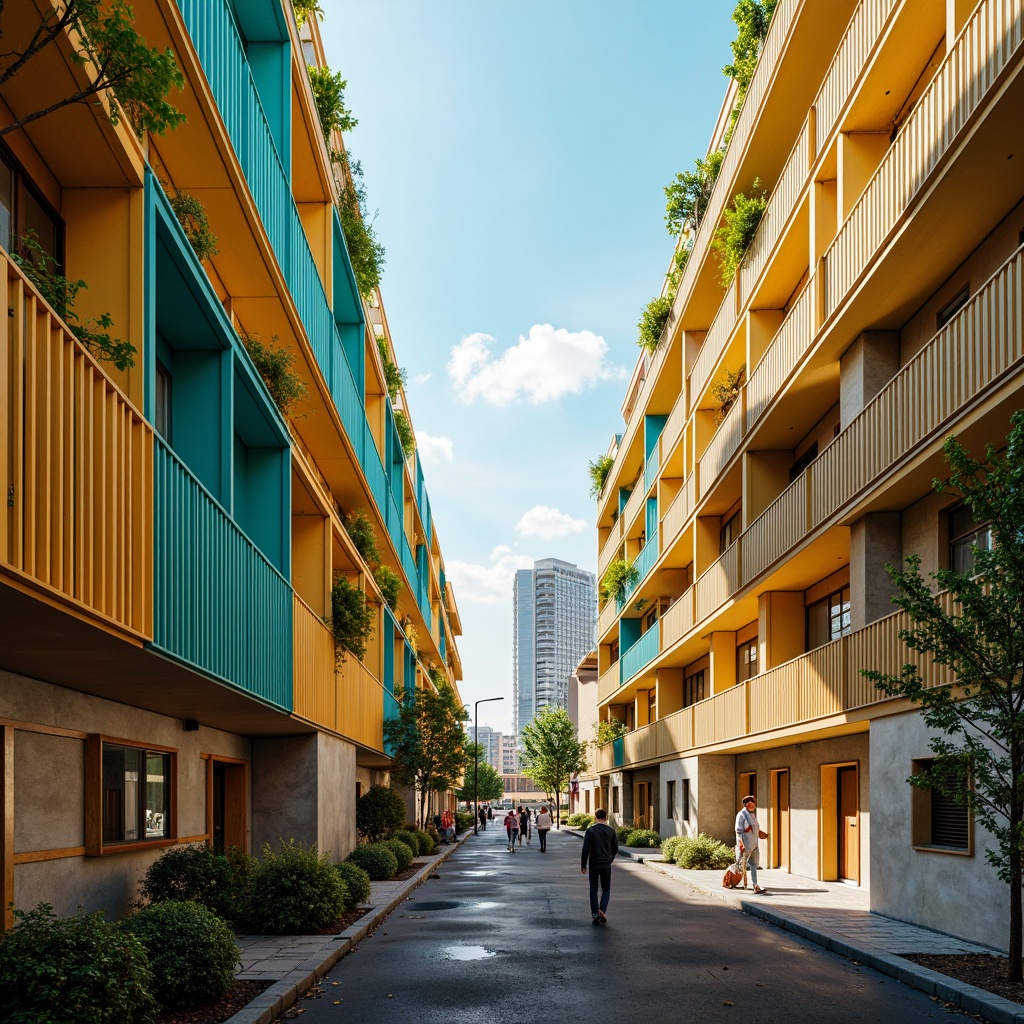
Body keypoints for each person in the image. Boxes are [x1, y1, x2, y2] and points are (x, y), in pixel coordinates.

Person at [580, 808, 618, 924]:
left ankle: (595, 913)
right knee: (606, 889)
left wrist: (583, 864)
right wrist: (610, 858)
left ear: (595, 817)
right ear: (606, 817)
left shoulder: (590, 830)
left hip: (594, 863)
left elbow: (585, 849)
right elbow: (615, 849)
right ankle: (602, 910)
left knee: (593, 889)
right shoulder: (611, 831)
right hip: (606, 863)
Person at [735, 794, 769, 894]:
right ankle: (738, 883)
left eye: (753, 803)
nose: (751, 805)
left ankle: (755, 884)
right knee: (742, 865)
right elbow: (738, 830)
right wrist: (741, 844)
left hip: (754, 844)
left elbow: (753, 828)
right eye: (749, 803)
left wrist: (759, 832)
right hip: (745, 844)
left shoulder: (752, 815)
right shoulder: (741, 815)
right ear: (745, 805)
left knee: (754, 864)